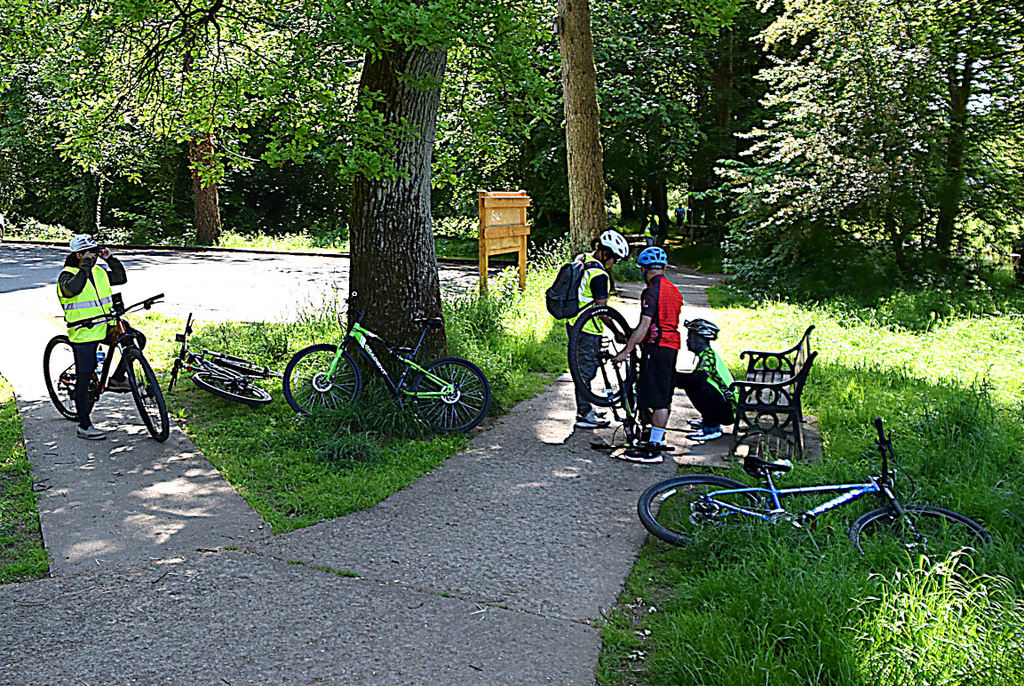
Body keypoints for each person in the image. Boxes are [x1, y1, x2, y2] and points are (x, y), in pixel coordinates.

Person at [57, 234, 139, 440]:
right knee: (85, 375)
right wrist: (84, 266)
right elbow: (73, 289)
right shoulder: (67, 276)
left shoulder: (99, 272)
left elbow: (120, 278)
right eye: (88, 253)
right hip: (83, 332)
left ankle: (117, 379)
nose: (93, 257)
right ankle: (84, 425)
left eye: (94, 252)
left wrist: (109, 258)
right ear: (78, 255)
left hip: (105, 326)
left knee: (136, 340)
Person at [611, 246, 682, 463]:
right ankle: (657, 439)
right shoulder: (674, 290)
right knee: (665, 393)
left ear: (644, 269)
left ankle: (652, 450)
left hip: (658, 347)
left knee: (658, 398)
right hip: (672, 347)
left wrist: (626, 351)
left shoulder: (651, 291)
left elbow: (645, 325)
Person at [568, 229, 630, 429]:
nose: (614, 263)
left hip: (574, 323)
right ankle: (584, 414)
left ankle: (587, 408)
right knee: (585, 370)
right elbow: (602, 310)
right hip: (588, 328)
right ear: (605, 253)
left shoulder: (583, 259)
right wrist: (617, 331)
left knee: (584, 367)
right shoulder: (600, 275)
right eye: (615, 259)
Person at [675, 318, 735, 442]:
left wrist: (671, 378)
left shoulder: (708, 357)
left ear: (699, 339)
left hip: (728, 409)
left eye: (690, 337)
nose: (687, 341)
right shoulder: (707, 354)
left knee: (696, 385)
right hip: (726, 405)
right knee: (692, 384)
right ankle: (709, 421)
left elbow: (698, 380)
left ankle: (712, 427)